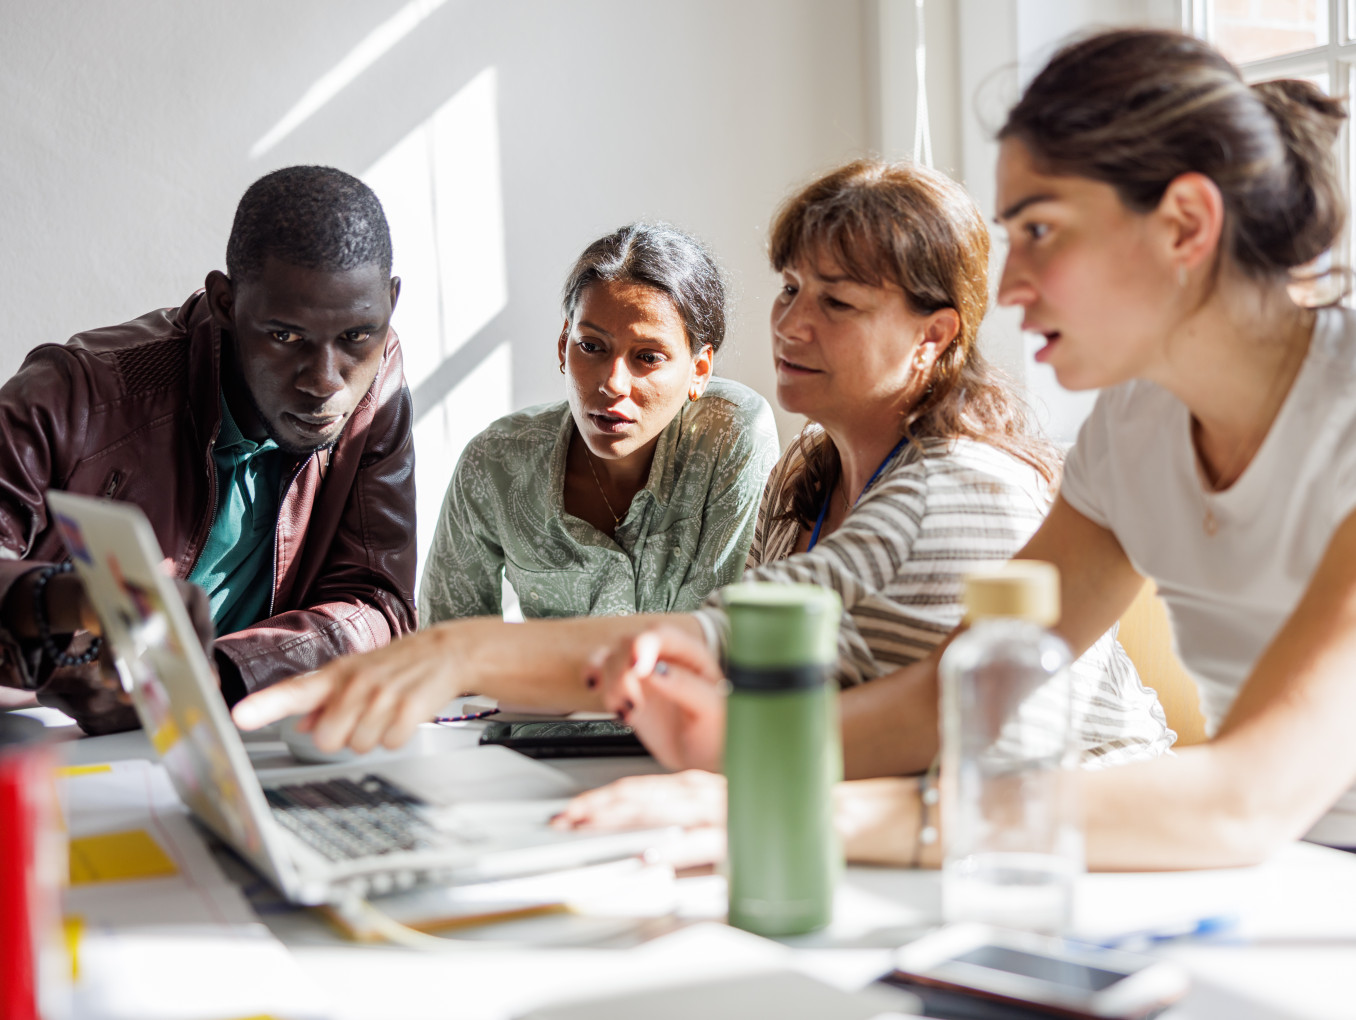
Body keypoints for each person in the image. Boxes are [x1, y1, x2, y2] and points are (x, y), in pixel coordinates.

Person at [559, 28, 1356, 867]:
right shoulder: (1137, 423)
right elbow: (953, 692)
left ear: (1187, 224)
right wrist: (745, 765)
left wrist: (803, 810)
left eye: (1042, 232)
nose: (1010, 289)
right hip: (1275, 867)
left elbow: (1241, 803)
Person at [232, 159, 1170, 773]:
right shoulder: (811, 475)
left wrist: (455, 655)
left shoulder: (952, 490)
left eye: (837, 303)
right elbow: (772, 689)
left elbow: (723, 643)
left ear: (932, 341)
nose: (793, 324)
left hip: (1067, 842)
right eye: (792, 288)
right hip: (907, 808)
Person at [0, 165, 416, 735]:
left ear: (389, 303)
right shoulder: (75, 393)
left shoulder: (377, 383)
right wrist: (68, 605)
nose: (325, 380)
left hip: (233, 737)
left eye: (356, 336)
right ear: (225, 301)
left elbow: (380, 605)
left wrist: (216, 677)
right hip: (43, 734)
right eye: (285, 336)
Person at [420, 223, 777, 623]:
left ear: (699, 370)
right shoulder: (496, 462)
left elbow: (731, 630)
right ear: (562, 346)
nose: (612, 384)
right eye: (591, 347)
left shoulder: (731, 434)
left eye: (648, 357)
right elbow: (446, 638)